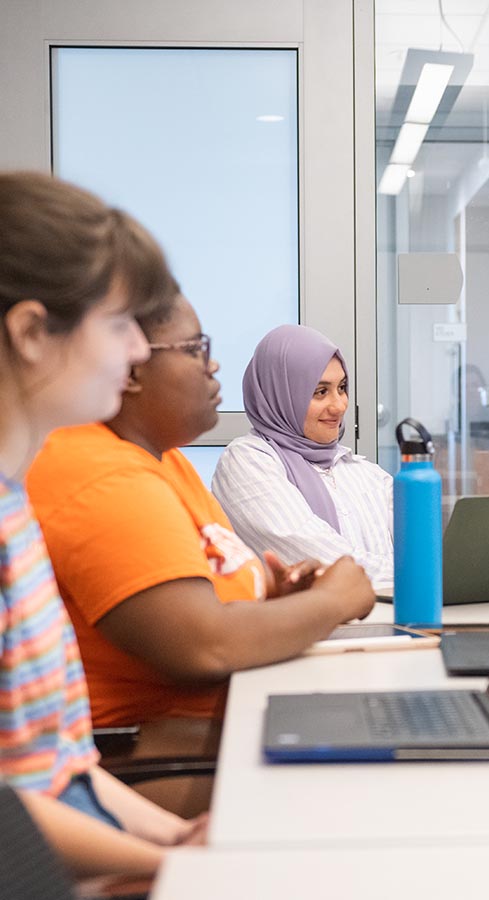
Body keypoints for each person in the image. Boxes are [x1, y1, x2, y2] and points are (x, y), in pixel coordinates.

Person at [26, 292, 375, 732]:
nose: (212, 367)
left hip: (233, 711)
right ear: (131, 368)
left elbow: (207, 588)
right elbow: (205, 645)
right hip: (166, 747)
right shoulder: (100, 474)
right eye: (194, 350)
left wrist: (272, 594)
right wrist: (331, 602)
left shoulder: (163, 458)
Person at [0, 170, 206, 879]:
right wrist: (168, 864)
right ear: (32, 332)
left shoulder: (13, 503)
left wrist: (175, 843)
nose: (141, 351)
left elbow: (60, 767)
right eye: (119, 323)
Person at [211, 324, 394, 590]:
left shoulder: (364, 472)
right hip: (304, 629)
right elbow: (321, 561)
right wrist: (415, 576)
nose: (339, 405)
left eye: (342, 387)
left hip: (390, 625)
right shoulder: (248, 461)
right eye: (321, 392)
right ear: (279, 395)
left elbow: (424, 553)